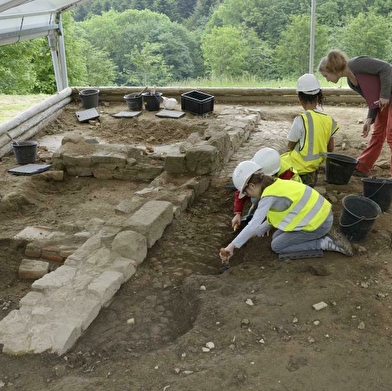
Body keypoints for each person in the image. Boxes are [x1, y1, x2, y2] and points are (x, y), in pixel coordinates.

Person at [220, 161, 353, 264]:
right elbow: (267, 224)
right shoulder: (274, 183)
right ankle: (322, 234)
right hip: (321, 215)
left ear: (252, 186)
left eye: (246, 192)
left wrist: (231, 247)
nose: (248, 196)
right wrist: (248, 237)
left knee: (277, 246)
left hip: (319, 223)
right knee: (276, 236)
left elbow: (253, 225)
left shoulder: (268, 197)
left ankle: (324, 242)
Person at [318, 49, 392, 178]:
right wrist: (369, 119)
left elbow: (386, 68)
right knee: (377, 134)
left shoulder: (356, 64)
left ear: (333, 69)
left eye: (326, 76)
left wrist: (384, 95)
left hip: (388, 96)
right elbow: (372, 97)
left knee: (391, 135)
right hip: (385, 100)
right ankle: (362, 167)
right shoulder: (351, 83)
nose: (327, 80)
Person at [280, 73, 339, 187]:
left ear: (300, 99)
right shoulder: (329, 120)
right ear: (317, 97)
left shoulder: (301, 119)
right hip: (314, 167)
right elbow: (330, 148)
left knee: (274, 166)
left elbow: (290, 146)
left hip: (298, 168)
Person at [231, 147, 301, 231]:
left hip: (292, 197)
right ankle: (256, 207)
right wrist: (238, 213)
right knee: (255, 199)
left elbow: (276, 199)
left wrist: (267, 222)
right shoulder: (258, 165)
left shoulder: (286, 175)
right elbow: (243, 188)